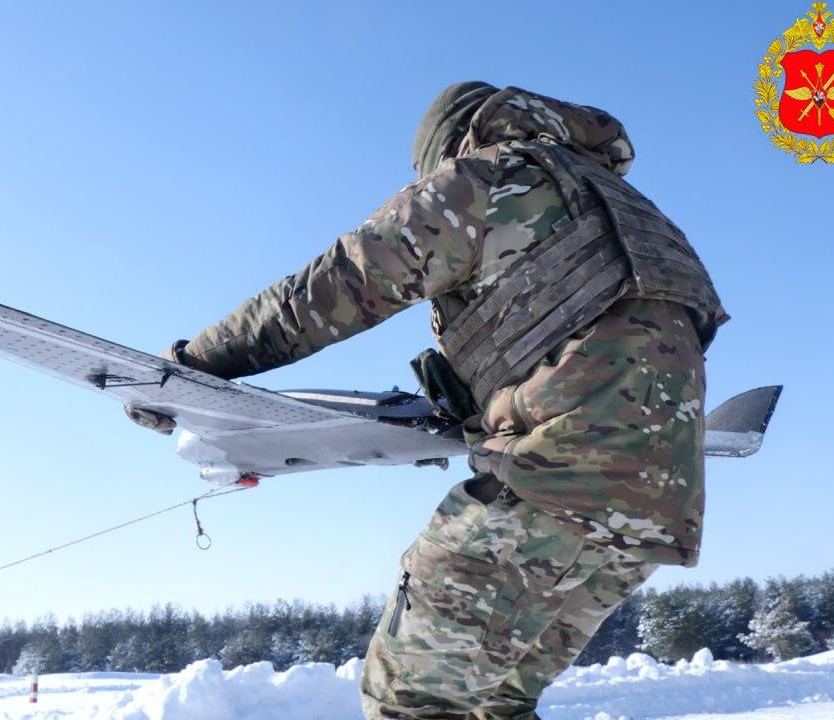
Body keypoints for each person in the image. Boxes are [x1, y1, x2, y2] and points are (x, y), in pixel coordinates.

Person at [129, 82, 728, 719]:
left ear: (451, 140)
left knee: (411, 700)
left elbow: (332, 289)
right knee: (497, 702)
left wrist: (193, 364)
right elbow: (622, 343)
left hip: (555, 481)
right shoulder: (634, 211)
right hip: (658, 507)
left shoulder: (485, 181)